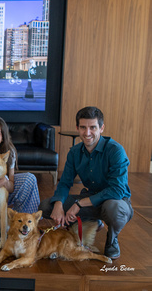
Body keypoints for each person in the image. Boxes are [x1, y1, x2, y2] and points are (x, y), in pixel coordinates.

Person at [39, 106, 132, 259]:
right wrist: (58, 205)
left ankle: (112, 239)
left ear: (102, 128)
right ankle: (93, 220)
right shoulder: (75, 152)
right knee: (45, 206)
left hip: (116, 201)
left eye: (92, 127)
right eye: (83, 127)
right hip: (91, 199)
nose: (87, 133)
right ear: (77, 128)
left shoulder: (116, 151)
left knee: (113, 208)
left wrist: (79, 204)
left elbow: (117, 190)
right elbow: (64, 183)